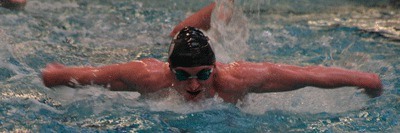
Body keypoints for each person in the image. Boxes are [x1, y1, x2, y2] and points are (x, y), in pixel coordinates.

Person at [42, 26, 382, 103]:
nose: (194, 86)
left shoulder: (237, 79)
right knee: (175, 31)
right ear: (169, 70)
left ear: (214, 69)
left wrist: (365, 79)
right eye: (184, 76)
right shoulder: (147, 75)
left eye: (204, 75)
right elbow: (84, 76)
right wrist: (55, 76)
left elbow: (308, 76)